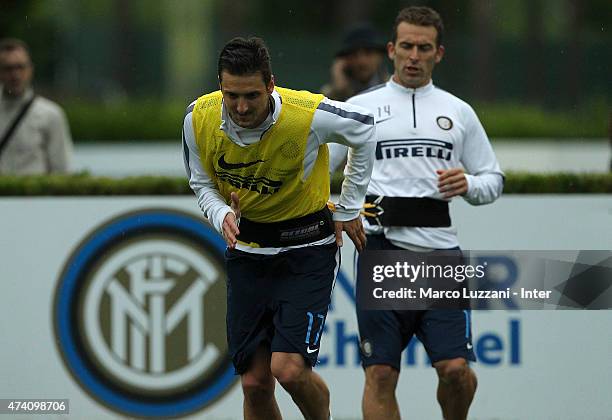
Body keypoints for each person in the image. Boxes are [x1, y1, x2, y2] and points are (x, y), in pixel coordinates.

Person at [182, 37, 375, 420]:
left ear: (271, 84)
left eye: (251, 95)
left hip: (307, 250)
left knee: (288, 369)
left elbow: (365, 130)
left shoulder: (307, 113)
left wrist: (349, 206)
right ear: (219, 85)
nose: (240, 107)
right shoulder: (197, 117)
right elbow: (201, 183)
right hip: (249, 254)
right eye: (230, 95)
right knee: (254, 384)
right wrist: (220, 214)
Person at [329, 7, 504, 420]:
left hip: (440, 255)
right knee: (381, 375)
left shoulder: (458, 111)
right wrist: (332, 204)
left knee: (456, 371)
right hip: (380, 251)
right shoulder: (360, 106)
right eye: (406, 46)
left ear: (438, 54)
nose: (413, 55)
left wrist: (470, 184)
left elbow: (492, 178)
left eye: (423, 48)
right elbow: (320, 166)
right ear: (391, 49)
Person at [0, 38, 73, 174]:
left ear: (30, 70)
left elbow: (61, 170)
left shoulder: (51, 115)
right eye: (8, 68)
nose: (15, 75)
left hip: (35, 194)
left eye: (20, 67)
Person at [321, 24, 389, 101]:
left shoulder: (394, 88)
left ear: (380, 56)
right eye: (354, 55)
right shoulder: (329, 93)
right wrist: (338, 91)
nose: (362, 61)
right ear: (344, 60)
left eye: (368, 53)